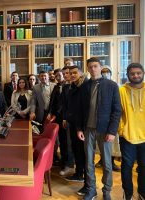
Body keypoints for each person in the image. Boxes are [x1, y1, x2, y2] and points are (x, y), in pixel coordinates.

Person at [76, 58, 121, 200]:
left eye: (95, 66)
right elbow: (80, 110)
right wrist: (79, 128)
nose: (93, 69)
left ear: (100, 67)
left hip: (105, 130)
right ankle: (91, 190)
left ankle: (106, 191)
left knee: (107, 163)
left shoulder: (112, 86)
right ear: (88, 69)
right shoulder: (84, 86)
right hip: (88, 129)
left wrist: (112, 131)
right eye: (90, 67)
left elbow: (117, 110)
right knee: (88, 162)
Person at [118, 63, 145, 200]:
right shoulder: (122, 90)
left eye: (138, 73)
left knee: (144, 167)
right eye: (132, 73)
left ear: (143, 73)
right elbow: (117, 112)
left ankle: (142, 192)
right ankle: (127, 193)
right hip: (127, 136)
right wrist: (121, 129)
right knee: (127, 166)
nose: (136, 75)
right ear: (128, 75)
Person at [62, 66, 88, 196]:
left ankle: (85, 180)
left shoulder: (85, 86)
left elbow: (82, 109)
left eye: (74, 73)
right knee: (77, 150)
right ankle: (79, 173)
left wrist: (79, 127)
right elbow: (70, 105)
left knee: (83, 153)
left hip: (82, 126)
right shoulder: (73, 86)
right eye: (70, 73)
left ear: (81, 73)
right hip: (73, 123)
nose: (72, 75)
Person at [48, 68, 75, 176]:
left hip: (66, 117)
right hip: (58, 119)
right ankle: (63, 161)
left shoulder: (68, 86)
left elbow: (65, 104)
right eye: (57, 76)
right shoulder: (56, 87)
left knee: (68, 142)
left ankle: (69, 164)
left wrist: (57, 113)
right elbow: (52, 102)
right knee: (62, 141)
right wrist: (50, 112)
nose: (59, 78)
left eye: (61, 75)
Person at [95, 65, 121, 172]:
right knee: (101, 143)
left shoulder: (115, 86)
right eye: (103, 72)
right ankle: (102, 160)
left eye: (107, 72)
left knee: (112, 144)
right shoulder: (98, 85)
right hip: (101, 120)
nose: (105, 74)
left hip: (113, 120)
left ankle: (112, 162)